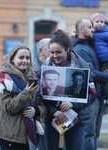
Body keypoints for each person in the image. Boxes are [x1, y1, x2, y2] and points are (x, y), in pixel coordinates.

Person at [42, 29, 95, 150]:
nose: (55, 56)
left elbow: (92, 94)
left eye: (58, 52)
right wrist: (53, 111)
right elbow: (40, 95)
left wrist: (73, 104)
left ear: (67, 49)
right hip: (52, 119)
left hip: (76, 118)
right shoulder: (45, 67)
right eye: (52, 52)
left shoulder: (83, 65)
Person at [0, 44, 47, 150]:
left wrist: (36, 110)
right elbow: (9, 107)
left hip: (28, 132)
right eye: (21, 57)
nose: (25, 61)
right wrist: (27, 92)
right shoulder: (3, 80)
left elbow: (43, 103)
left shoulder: (33, 77)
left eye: (27, 58)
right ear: (12, 59)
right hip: (10, 134)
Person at [72, 19, 108, 150]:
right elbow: (91, 72)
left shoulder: (89, 45)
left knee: (94, 133)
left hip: (96, 95)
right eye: (89, 27)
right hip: (89, 97)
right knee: (89, 134)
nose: (93, 29)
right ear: (81, 30)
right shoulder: (80, 49)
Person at [32, 38, 50, 150]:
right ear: (41, 50)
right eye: (50, 47)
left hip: (50, 117)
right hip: (34, 117)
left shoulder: (57, 67)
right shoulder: (31, 69)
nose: (54, 49)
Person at [90, 13, 108, 114]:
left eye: (102, 22)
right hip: (99, 60)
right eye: (97, 22)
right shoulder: (92, 33)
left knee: (105, 78)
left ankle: (106, 98)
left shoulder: (106, 33)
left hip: (106, 59)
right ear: (92, 22)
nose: (100, 24)